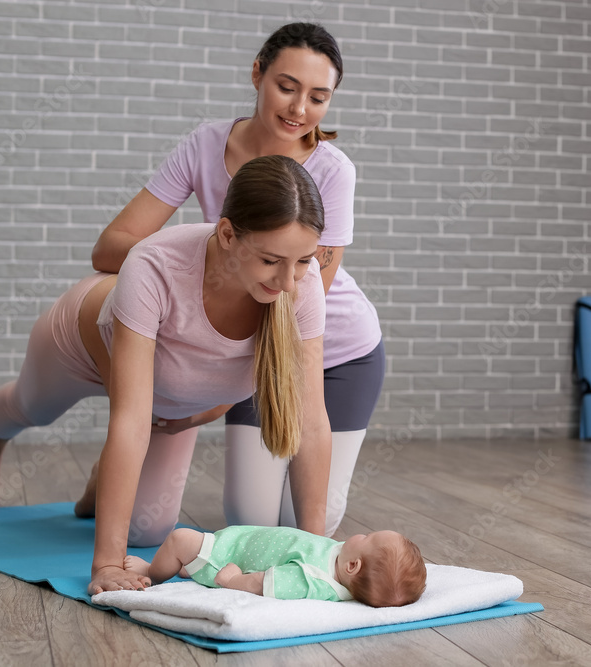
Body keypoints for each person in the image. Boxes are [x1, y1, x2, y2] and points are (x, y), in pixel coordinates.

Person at [0, 156, 332, 594]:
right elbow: (130, 419)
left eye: (304, 261)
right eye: (272, 260)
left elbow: (310, 422)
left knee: (148, 528)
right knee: (29, 408)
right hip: (81, 346)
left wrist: (317, 554)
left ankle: (104, 478)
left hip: (168, 400)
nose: (290, 282)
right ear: (228, 234)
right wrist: (105, 565)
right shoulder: (155, 263)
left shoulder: (299, 291)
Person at [90, 22, 383, 538]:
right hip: (251, 347)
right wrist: (186, 257)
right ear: (257, 74)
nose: (298, 109)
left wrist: (215, 402)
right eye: (287, 87)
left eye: (318, 97)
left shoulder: (334, 171)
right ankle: (105, 479)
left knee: (311, 524)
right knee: (249, 519)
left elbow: (305, 290)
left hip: (332, 350)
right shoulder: (206, 146)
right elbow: (112, 246)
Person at [124, 525, 427, 608]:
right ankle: (188, 566)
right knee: (190, 547)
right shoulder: (341, 562)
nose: (362, 533)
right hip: (241, 539)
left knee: (180, 539)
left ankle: (151, 571)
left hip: (229, 557)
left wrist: (232, 580)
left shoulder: (314, 580)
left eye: (368, 536)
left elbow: (267, 583)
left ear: (352, 566)